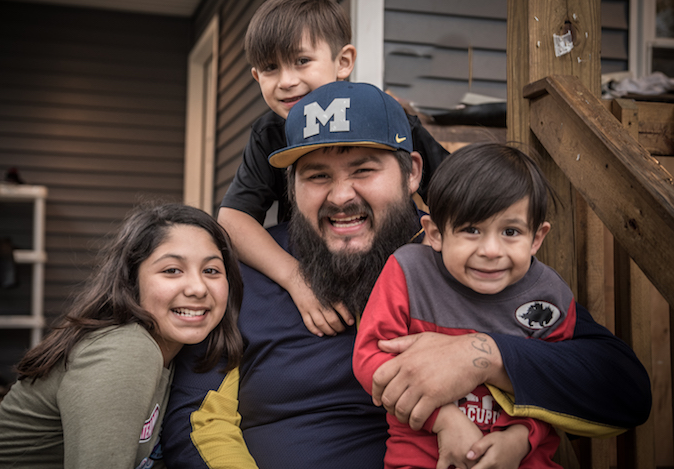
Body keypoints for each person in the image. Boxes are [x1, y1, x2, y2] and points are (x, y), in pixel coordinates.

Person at [161, 82, 651, 469]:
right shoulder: (251, 274)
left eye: (363, 169)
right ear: (291, 187)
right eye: (317, 175)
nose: (340, 196)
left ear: (413, 173)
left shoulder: (473, 263)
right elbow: (192, 417)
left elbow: (624, 393)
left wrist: (485, 355)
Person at [217, 0, 450, 338]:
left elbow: (456, 195)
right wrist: (296, 280)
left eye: (301, 61)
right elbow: (232, 218)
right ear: (255, 77)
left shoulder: (386, 117)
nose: (286, 81)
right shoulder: (270, 132)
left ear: (343, 62)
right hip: (315, 265)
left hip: (386, 267)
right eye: (270, 68)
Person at [0, 203, 243, 469]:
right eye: (172, 270)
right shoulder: (126, 350)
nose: (198, 288)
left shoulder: (175, 354)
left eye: (211, 270)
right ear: (131, 282)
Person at [354, 143, 583, 469]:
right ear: (435, 233)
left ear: (536, 238)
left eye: (510, 231)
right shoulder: (409, 273)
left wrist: (521, 439)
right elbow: (371, 358)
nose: (491, 250)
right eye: (471, 229)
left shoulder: (550, 297)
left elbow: (557, 386)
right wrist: (444, 419)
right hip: (423, 459)